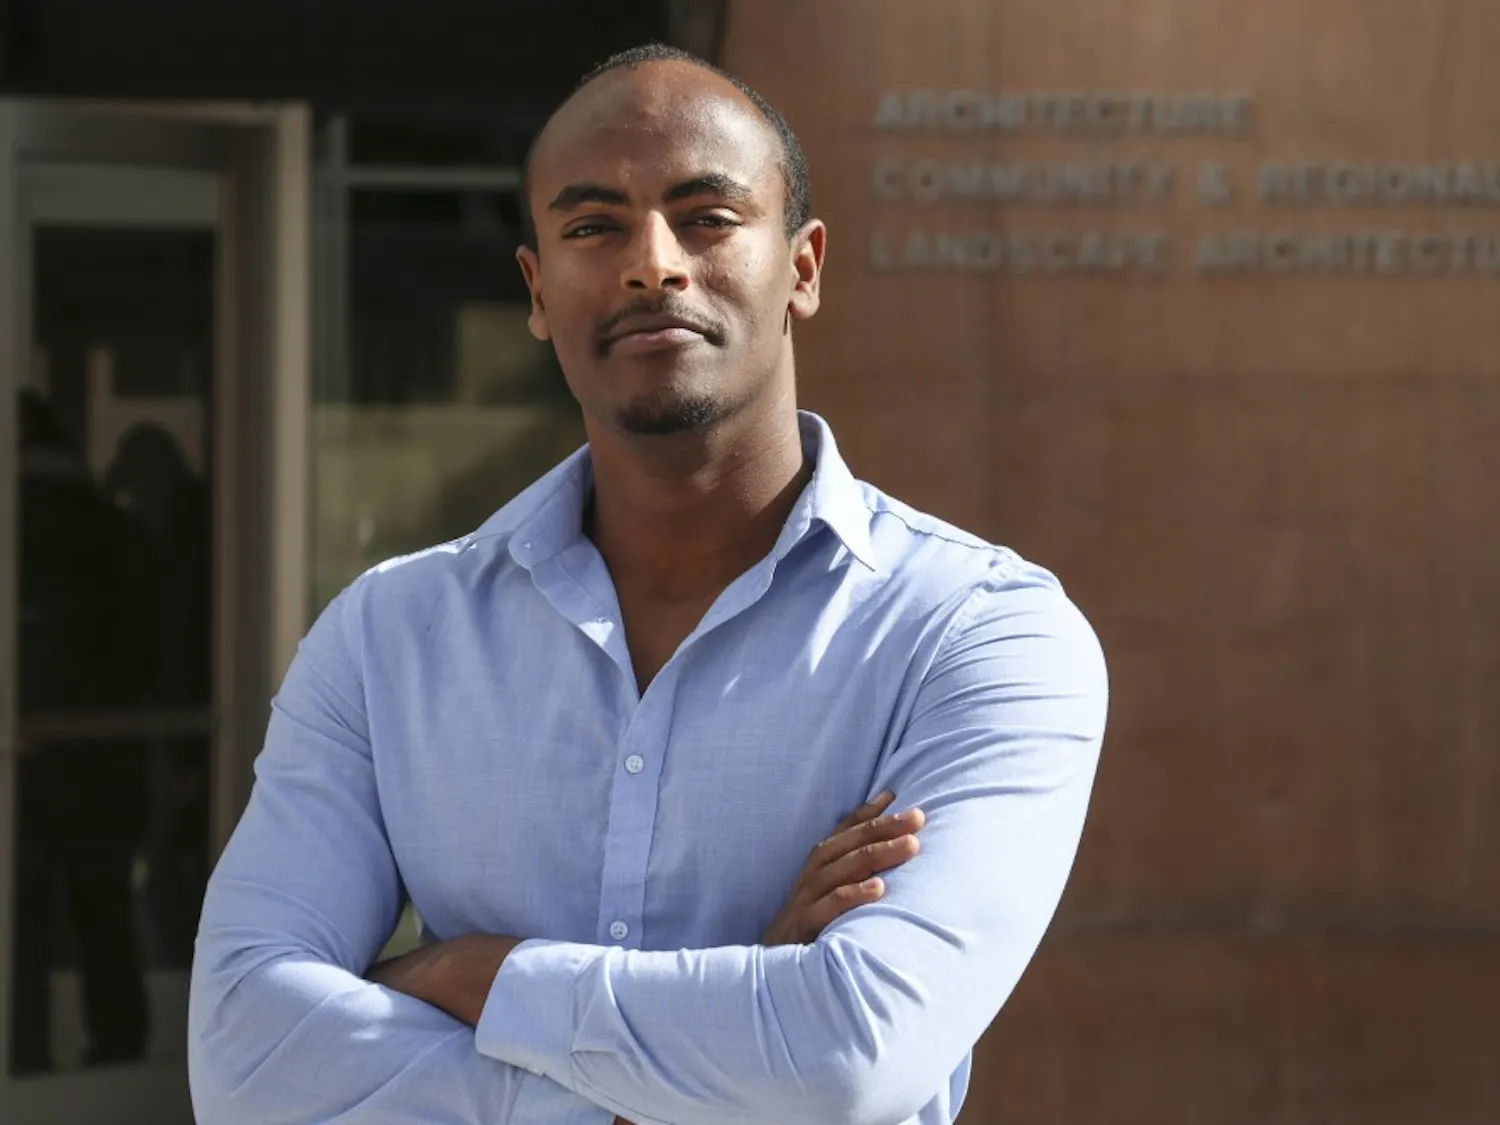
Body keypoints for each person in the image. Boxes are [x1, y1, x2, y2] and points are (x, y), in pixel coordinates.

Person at [188, 43, 1107, 1125]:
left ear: (803, 267)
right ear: (536, 291)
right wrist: (729, 1034)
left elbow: (853, 1050)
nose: (652, 264)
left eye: (707, 217)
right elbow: (246, 1060)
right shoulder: (389, 637)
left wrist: (474, 976)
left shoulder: (976, 635)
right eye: (592, 227)